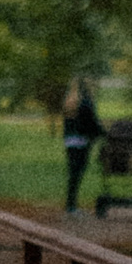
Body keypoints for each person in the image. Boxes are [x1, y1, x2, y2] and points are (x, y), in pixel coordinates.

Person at [59, 73, 102, 215]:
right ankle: (72, 206)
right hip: (82, 142)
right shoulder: (86, 102)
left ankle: (70, 205)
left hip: (70, 141)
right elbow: (91, 123)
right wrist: (103, 133)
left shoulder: (70, 101)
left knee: (73, 173)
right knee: (77, 174)